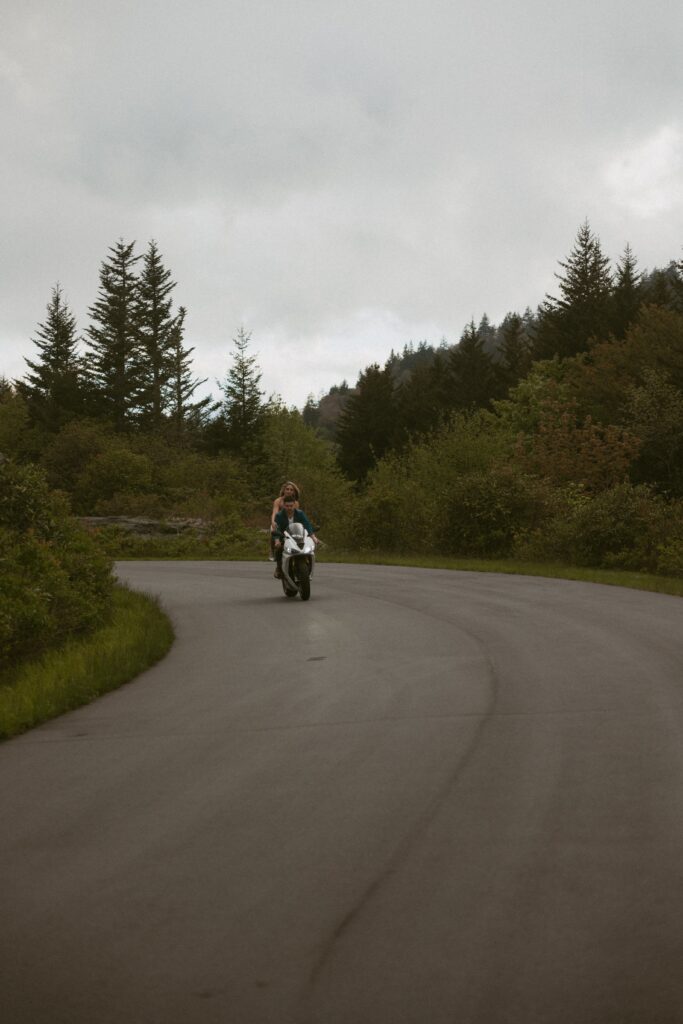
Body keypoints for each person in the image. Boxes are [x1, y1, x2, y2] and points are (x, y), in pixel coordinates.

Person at [272, 496, 318, 578]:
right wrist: (277, 540)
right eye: (287, 506)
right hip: (285, 538)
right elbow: (277, 529)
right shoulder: (279, 515)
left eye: (291, 506)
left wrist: (313, 537)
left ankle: (308, 567)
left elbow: (307, 525)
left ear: (294, 505)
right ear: (283, 505)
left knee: (310, 548)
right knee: (279, 550)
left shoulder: (300, 513)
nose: (289, 508)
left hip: (299, 537)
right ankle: (279, 568)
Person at [269, 481, 300, 560]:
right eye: (287, 489)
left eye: (291, 490)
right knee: (273, 530)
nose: (289, 491)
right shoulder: (278, 501)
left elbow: (296, 515)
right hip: (279, 522)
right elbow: (274, 512)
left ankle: (296, 551)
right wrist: (273, 522)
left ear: (293, 492)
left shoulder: (295, 503)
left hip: (290, 523)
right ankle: (272, 550)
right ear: (284, 490)